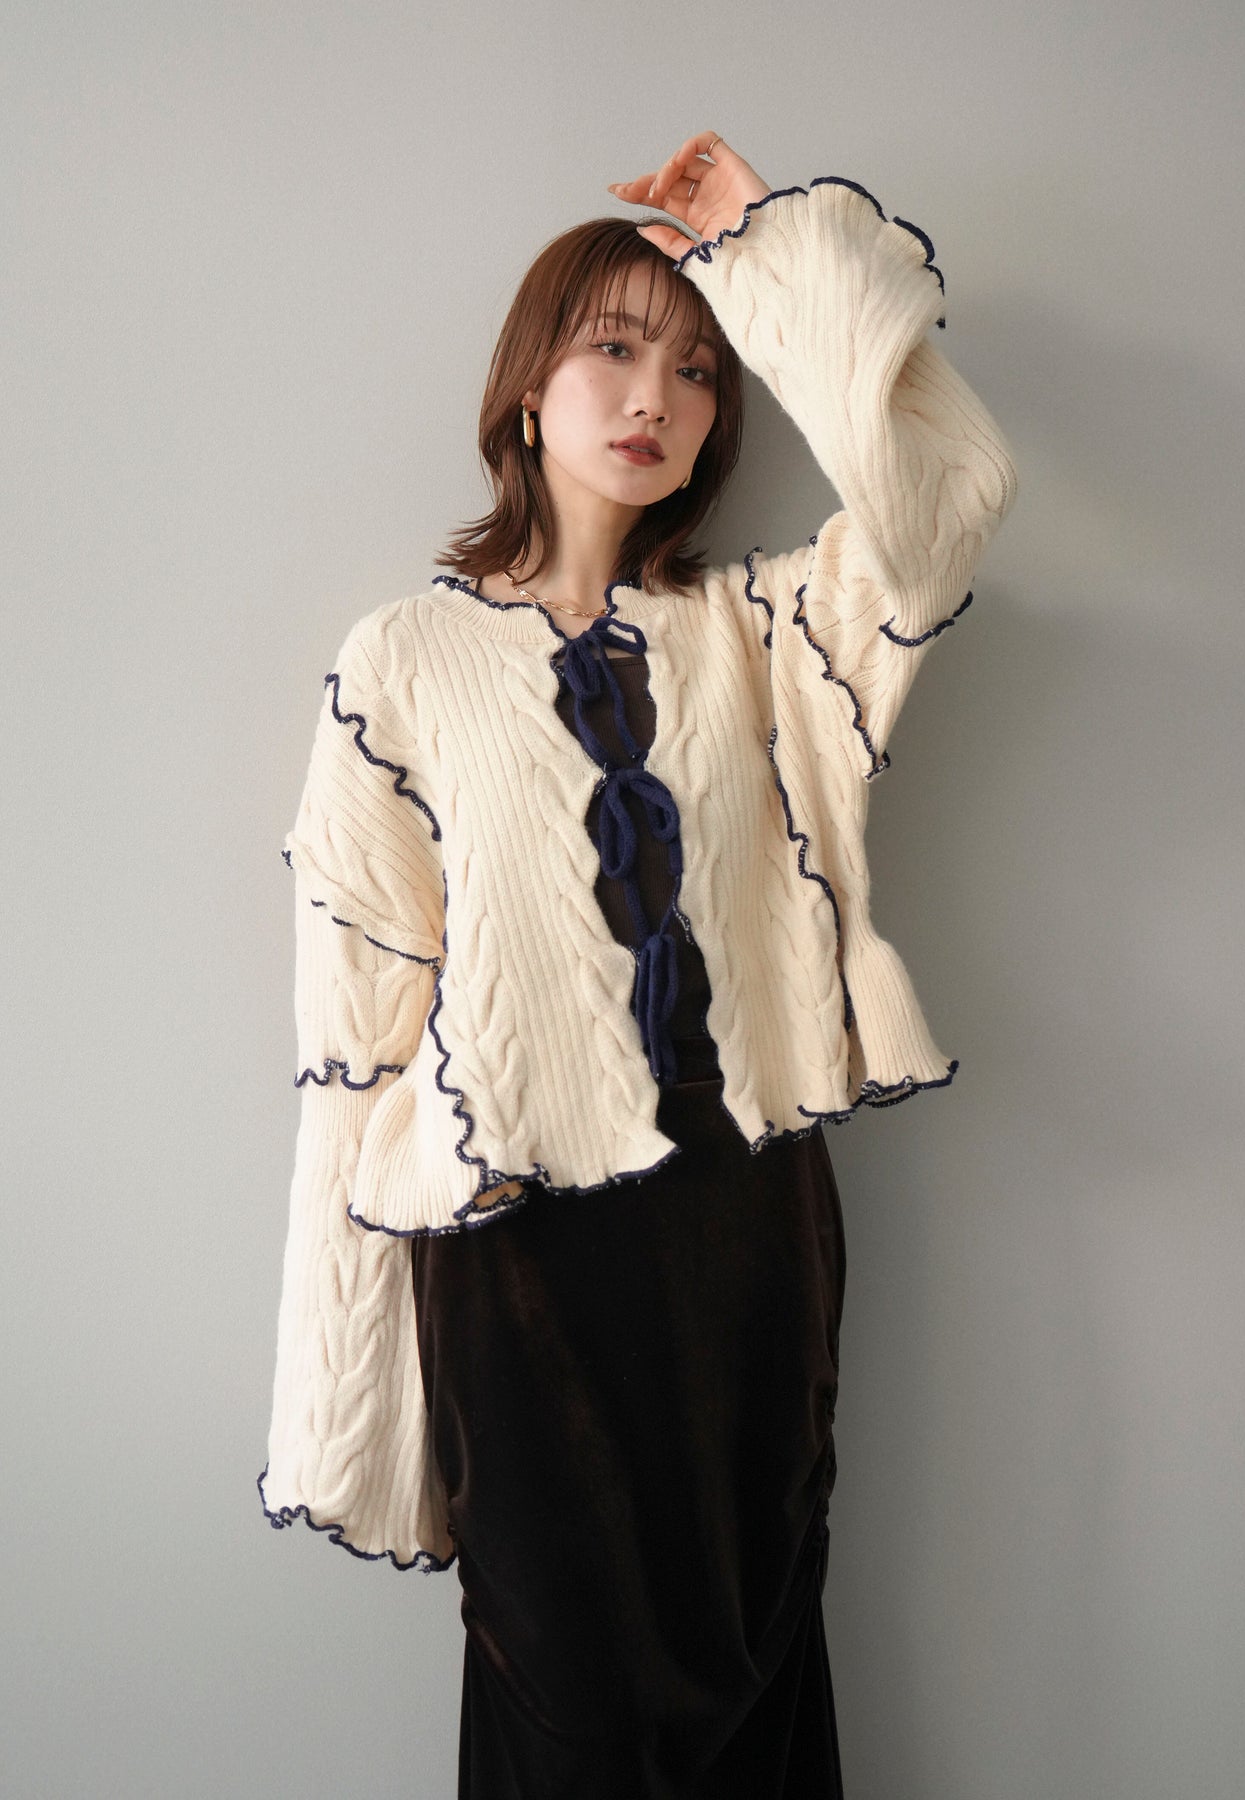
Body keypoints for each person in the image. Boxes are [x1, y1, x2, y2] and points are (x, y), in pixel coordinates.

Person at [258, 130, 1018, 1796]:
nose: (654, 394)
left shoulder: (768, 635)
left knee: (755, 1651)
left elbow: (948, 501)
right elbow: (357, 1035)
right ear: (526, 387)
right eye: (611, 347)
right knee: (567, 1699)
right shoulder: (402, 660)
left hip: (747, 1227)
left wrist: (759, 252)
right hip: (518, 1249)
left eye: (694, 368)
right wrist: (349, 1383)